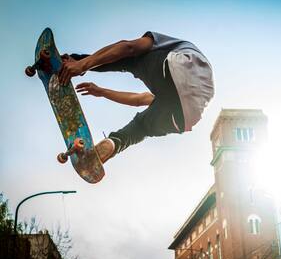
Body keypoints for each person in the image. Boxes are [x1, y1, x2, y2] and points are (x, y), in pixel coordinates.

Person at [58, 31, 214, 163]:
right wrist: (102, 91)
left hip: (180, 66)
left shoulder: (161, 41)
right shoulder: (172, 95)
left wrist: (82, 63)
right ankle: (114, 143)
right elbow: (139, 100)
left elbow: (128, 47)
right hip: (185, 117)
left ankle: (73, 60)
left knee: (130, 58)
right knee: (141, 127)